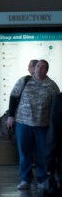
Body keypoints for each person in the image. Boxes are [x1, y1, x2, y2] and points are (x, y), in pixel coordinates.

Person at [6, 59, 60, 190]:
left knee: (43, 153)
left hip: (43, 124)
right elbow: (13, 97)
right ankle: (25, 179)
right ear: (33, 68)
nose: (39, 69)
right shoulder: (24, 81)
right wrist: (11, 116)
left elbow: (56, 106)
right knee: (24, 153)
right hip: (23, 123)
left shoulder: (52, 86)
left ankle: (43, 179)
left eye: (42, 67)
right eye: (37, 67)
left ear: (46, 70)